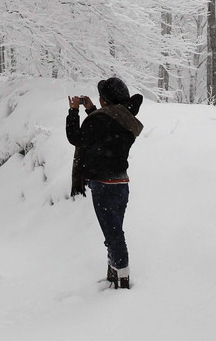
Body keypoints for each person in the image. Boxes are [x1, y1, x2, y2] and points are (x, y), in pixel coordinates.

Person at [66, 76, 144, 289]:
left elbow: (77, 137)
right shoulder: (124, 117)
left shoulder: (102, 120)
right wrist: (91, 111)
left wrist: (74, 111)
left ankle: (123, 280)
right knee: (114, 230)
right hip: (121, 182)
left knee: (113, 233)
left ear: (105, 101)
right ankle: (113, 273)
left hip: (103, 184)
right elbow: (106, 133)